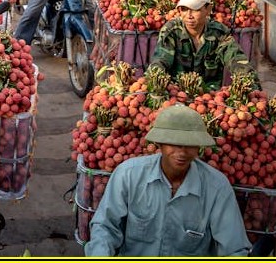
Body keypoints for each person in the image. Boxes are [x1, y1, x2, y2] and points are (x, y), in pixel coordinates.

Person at [85, 104, 251, 257]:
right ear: (160, 143)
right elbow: (105, 227)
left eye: (190, 145)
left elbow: (234, 249)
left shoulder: (217, 187)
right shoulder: (128, 175)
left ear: (199, 148)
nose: (182, 151)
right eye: (174, 143)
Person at [149, 0, 259, 90]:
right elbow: (160, 60)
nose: (189, 15)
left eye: (195, 9)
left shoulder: (218, 33)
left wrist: (250, 84)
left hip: (210, 96)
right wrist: (154, 81)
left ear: (208, 9)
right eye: (184, 9)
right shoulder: (172, 31)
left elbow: (236, 59)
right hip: (176, 94)